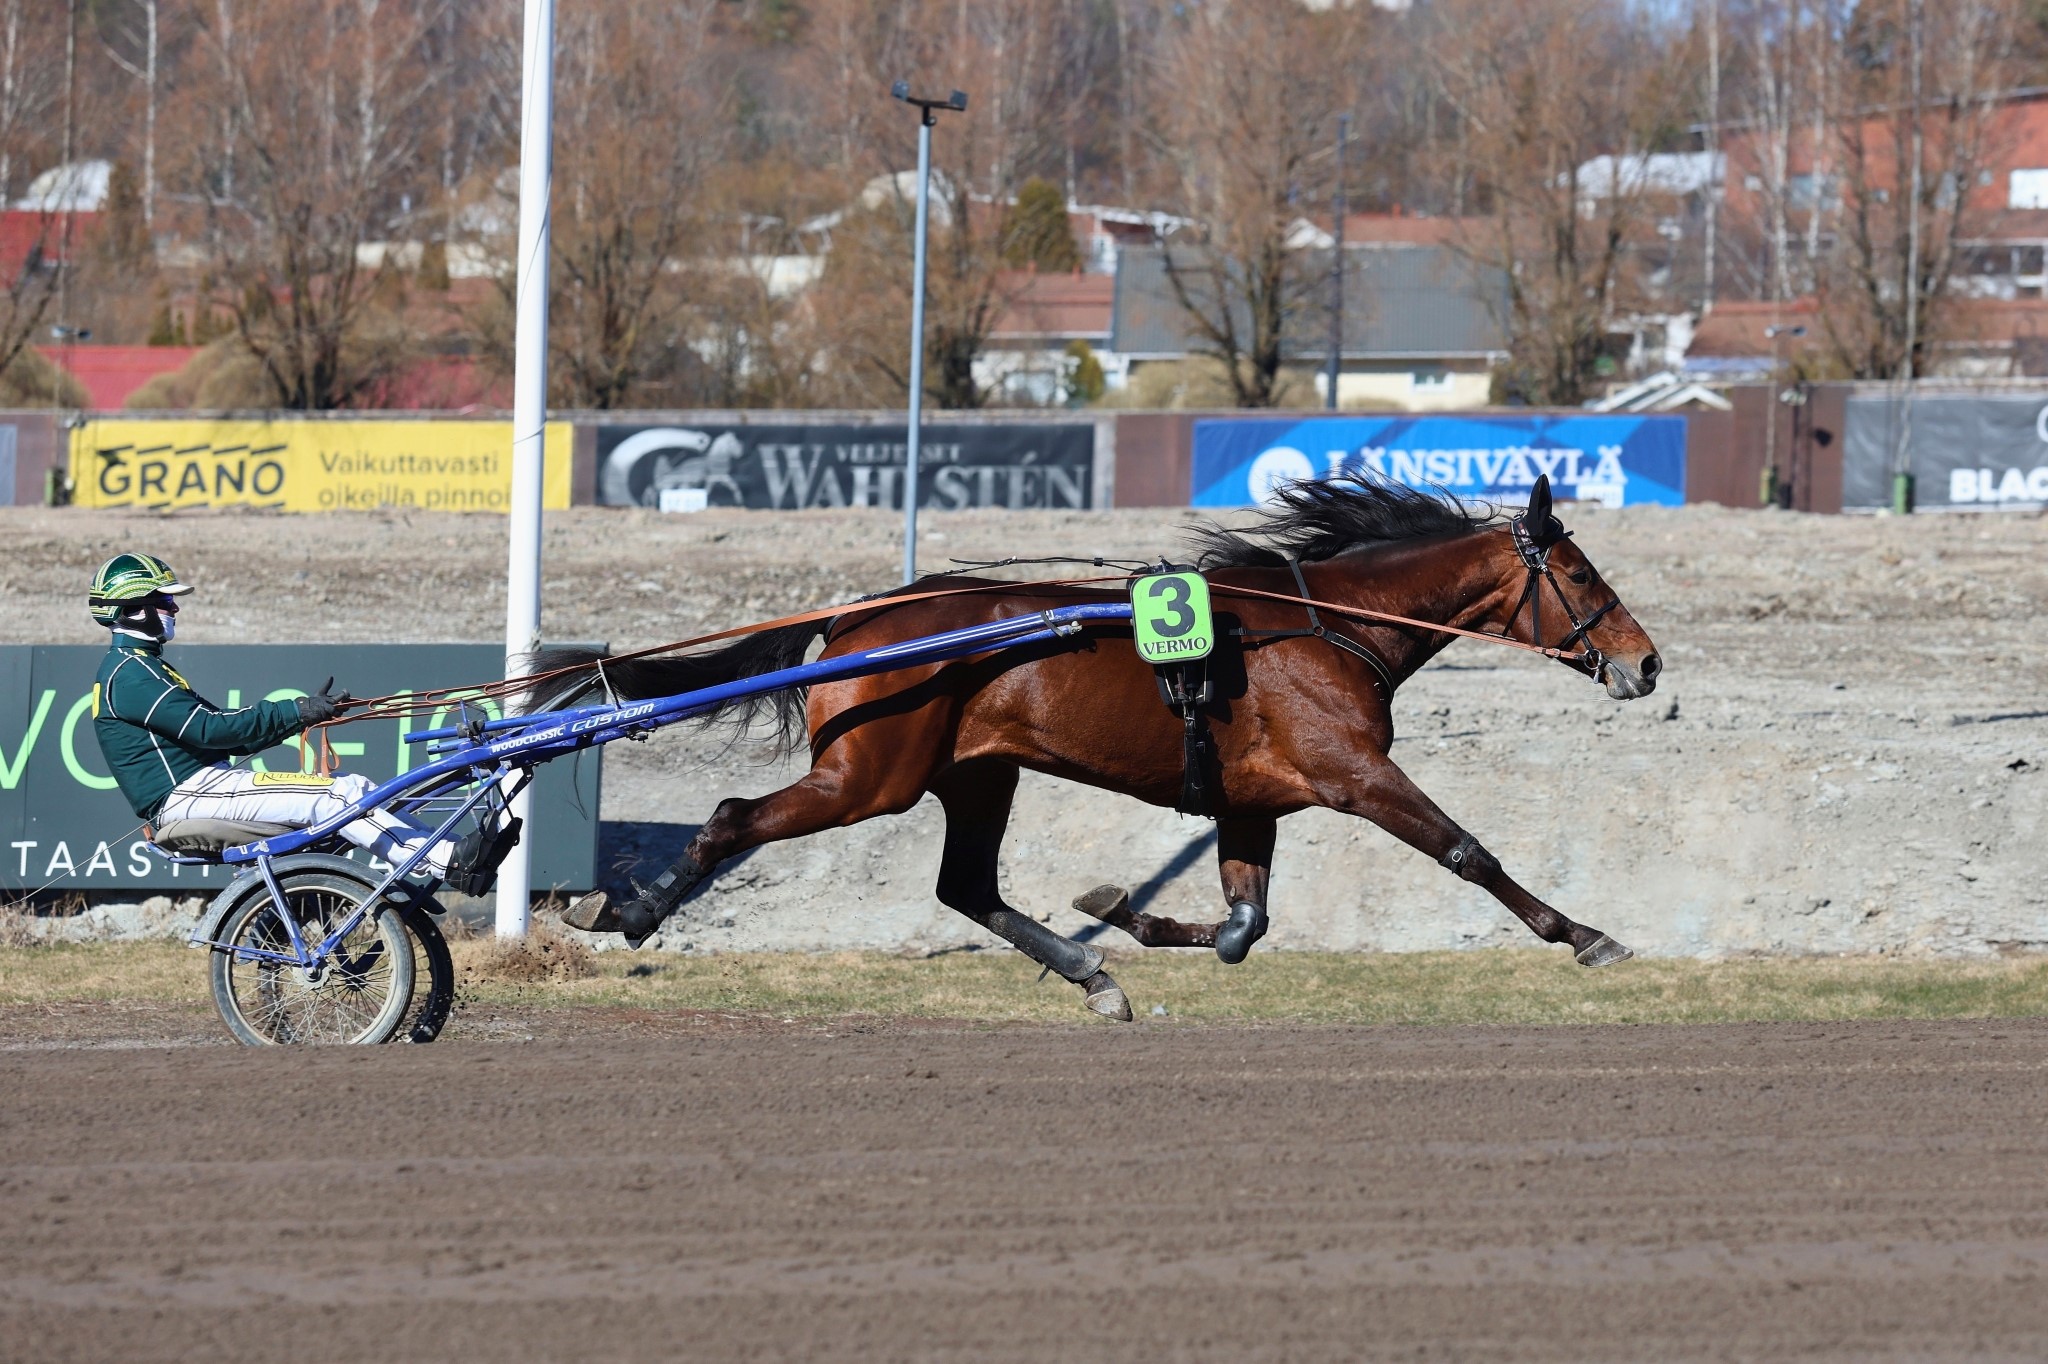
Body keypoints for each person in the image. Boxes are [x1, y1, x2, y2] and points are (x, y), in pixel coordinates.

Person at [88, 552, 516, 892]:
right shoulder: (130, 672)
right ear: (132, 608)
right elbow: (213, 729)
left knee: (355, 788)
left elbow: (225, 735)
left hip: (198, 789)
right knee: (342, 796)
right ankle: (449, 862)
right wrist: (297, 711)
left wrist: (302, 714)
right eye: (163, 601)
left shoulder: (140, 667)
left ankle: (449, 854)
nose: (174, 607)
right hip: (188, 796)